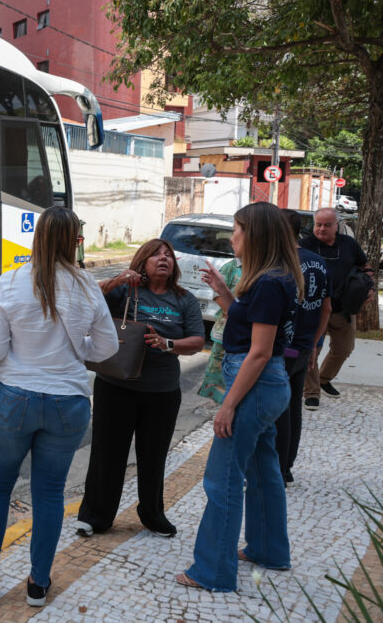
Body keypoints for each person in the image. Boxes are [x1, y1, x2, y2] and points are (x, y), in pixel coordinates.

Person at [0, 207, 118, 607]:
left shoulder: (11, 282)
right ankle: (38, 583)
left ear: (37, 236)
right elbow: (108, 347)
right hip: (69, 404)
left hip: (15, 401)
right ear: (75, 240)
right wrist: (80, 350)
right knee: (50, 493)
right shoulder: (88, 286)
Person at [178, 202, 302, 592]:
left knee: (223, 479)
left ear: (254, 234)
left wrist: (229, 404)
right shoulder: (272, 278)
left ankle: (212, 572)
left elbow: (260, 351)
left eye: (236, 229)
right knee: (264, 471)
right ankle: (269, 549)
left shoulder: (268, 282)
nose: (232, 237)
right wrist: (222, 294)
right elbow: (248, 326)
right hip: (266, 385)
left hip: (254, 385)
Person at [74, 239, 205, 540]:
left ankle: (152, 514)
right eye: (156, 255)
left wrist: (168, 344)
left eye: (168, 255)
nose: (163, 259)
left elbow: (197, 340)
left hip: (162, 392)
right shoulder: (124, 291)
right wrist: (119, 279)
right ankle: (95, 516)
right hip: (116, 386)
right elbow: (88, 299)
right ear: (142, 261)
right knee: (107, 453)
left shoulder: (184, 299)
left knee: (154, 456)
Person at [275, 209, 331, 483]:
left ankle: (279, 468)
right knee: (293, 408)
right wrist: (314, 344)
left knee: (280, 410)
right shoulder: (318, 261)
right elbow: (326, 307)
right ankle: (286, 466)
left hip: (283, 348)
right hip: (303, 347)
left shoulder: (282, 263)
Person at [299, 207, 372, 404]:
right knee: (311, 349)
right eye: (318, 224)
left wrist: (369, 287)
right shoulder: (304, 245)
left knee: (344, 348)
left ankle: (323, 379)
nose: (321, 229)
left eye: (327, 225)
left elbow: (365, 266)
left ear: (337, 226)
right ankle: (311, 392)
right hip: (313, 308)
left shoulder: (349, 244)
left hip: (344, 308)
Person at [197, 258, 242, 404]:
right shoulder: (230, 267)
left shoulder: (260, 267)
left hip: (244, 332)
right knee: (219, 368)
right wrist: (232, 311)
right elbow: (217, 295)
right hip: (225, 329)